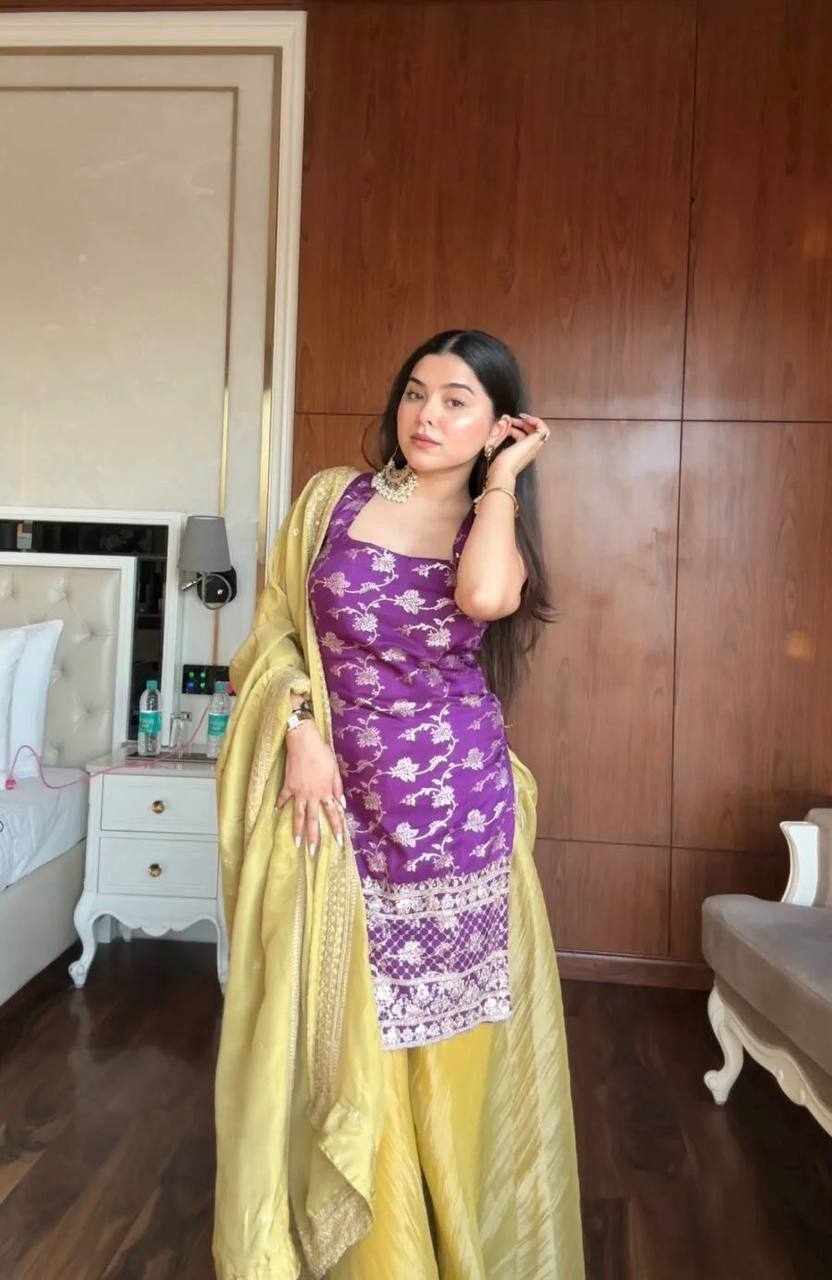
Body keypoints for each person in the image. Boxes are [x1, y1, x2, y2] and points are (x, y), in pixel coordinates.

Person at [212, 330, 585, 1280]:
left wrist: (501, 482)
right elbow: (274, 631)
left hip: (454, 812)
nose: (427, 415)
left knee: (441, 1047)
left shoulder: (489, 530)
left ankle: (443, 1241)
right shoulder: (331, 500)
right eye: (417, 392)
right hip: (330, 805)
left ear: (499, 424)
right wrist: (301, 728)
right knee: (339, 1031)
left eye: (458, 401)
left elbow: (487, 598)